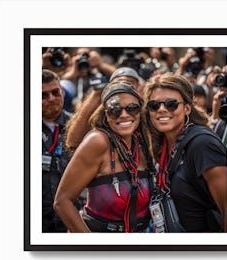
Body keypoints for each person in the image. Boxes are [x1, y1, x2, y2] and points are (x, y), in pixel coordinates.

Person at [54, 81, 155, 233]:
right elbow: (62, 201)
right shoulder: (98, 141)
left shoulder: (143, 142)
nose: (124, 114)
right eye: (115, 110)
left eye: (132, 108)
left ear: (140, 111)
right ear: (106, 115)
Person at [144, 72, 227, 232]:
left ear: (187, 108)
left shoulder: (202, 144)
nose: (161, 109)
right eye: (154, 105)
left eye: (171, 104)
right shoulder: (161, 143)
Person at [65, 66, 142, 150]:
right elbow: (73, 142)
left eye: (128, 83)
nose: (122, 87)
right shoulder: (103, 110)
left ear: (139, 87)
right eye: (117, 84)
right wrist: (96, 94)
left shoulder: (148, 107)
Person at [42, 69, 81, 232]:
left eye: (55, 92)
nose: (51, 98)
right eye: (43, 95)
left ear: (63, 93)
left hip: (71, 220)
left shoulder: (78, 126)